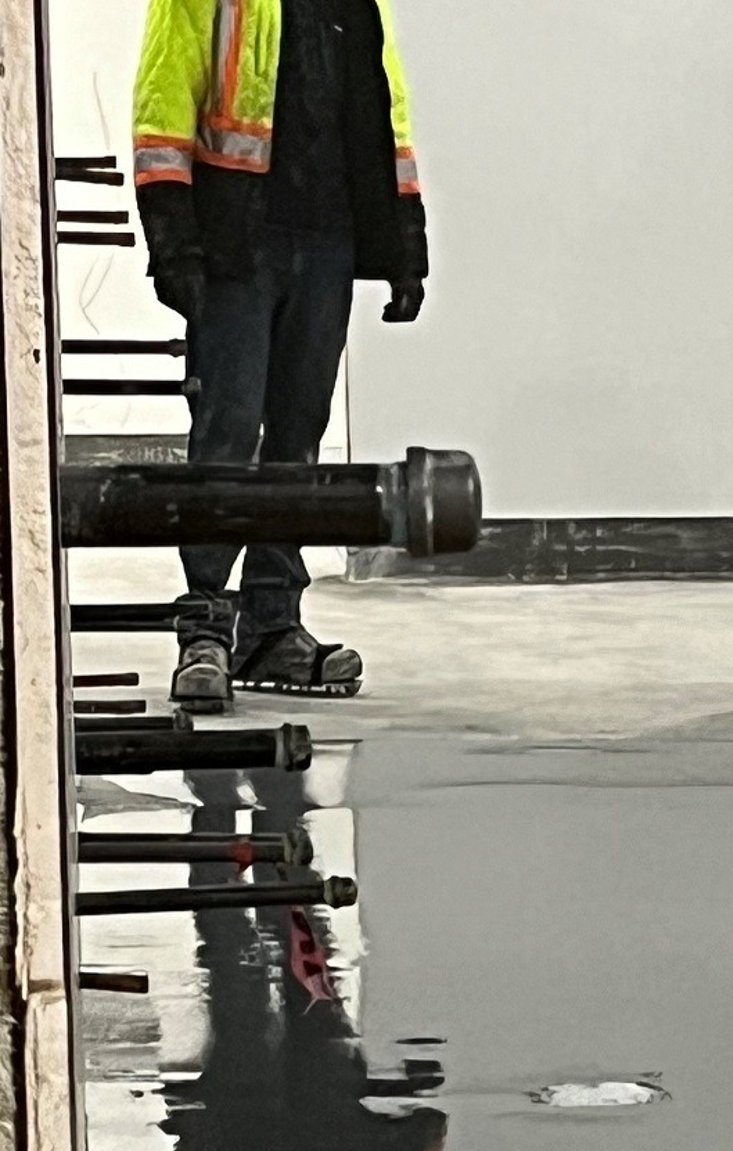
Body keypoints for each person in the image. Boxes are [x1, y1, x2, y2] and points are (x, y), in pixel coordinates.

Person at [133, 0, 429, 712]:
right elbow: (165, 91)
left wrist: (404, 242)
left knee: (298, 439)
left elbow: (385, 112)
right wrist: (172, 235)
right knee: (227, 435)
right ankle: (205, 630)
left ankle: (272, 626)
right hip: (236, 238)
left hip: (327, 240)